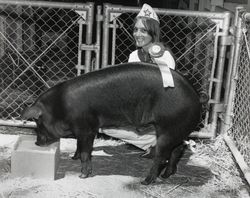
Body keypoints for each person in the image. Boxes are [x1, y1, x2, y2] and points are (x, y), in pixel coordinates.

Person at [100, 3, 176, 157]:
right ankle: (154, 143)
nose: (137, 34)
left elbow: (167, 90)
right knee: (104, 124)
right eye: (135, 30)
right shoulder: (134, 56)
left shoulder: (164, 55)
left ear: (153, 33)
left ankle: (161, 139)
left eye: (143, 30)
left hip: (160, 111)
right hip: (140, 109)